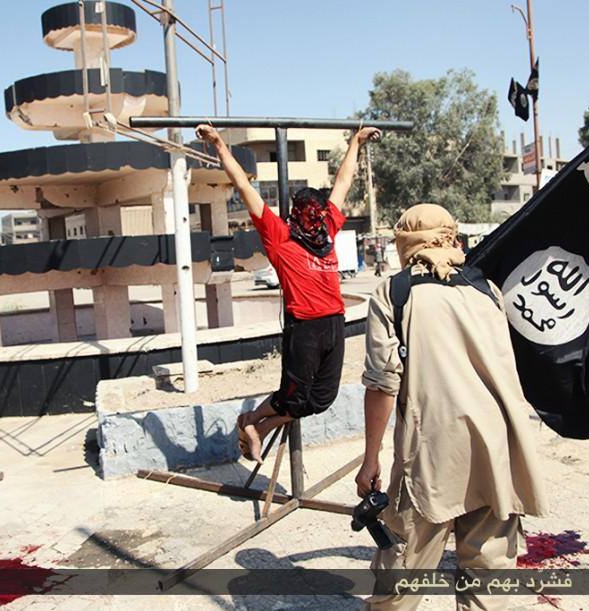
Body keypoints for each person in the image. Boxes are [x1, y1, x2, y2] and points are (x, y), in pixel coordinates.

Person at [355, 204, 548, 610]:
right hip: (495, 451)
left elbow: (383, 384)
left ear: (405, 243)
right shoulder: (486, 289)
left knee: (401, 575)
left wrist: (370, 460)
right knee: (488, 579)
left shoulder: (394, 293)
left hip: (431, 455)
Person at [197, 123, 379, 461]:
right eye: (311, 216)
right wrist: (219, 143)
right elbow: (243, 185)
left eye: (317, 215)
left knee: (322, 398)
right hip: (304, 327)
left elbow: (343, 182)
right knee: (293, 397)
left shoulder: (326, 229)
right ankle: (254, 423)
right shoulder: (279, 236)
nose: (315, 220)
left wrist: (356, 142)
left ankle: (256, 424)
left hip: (334, 322)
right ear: (298, 215)